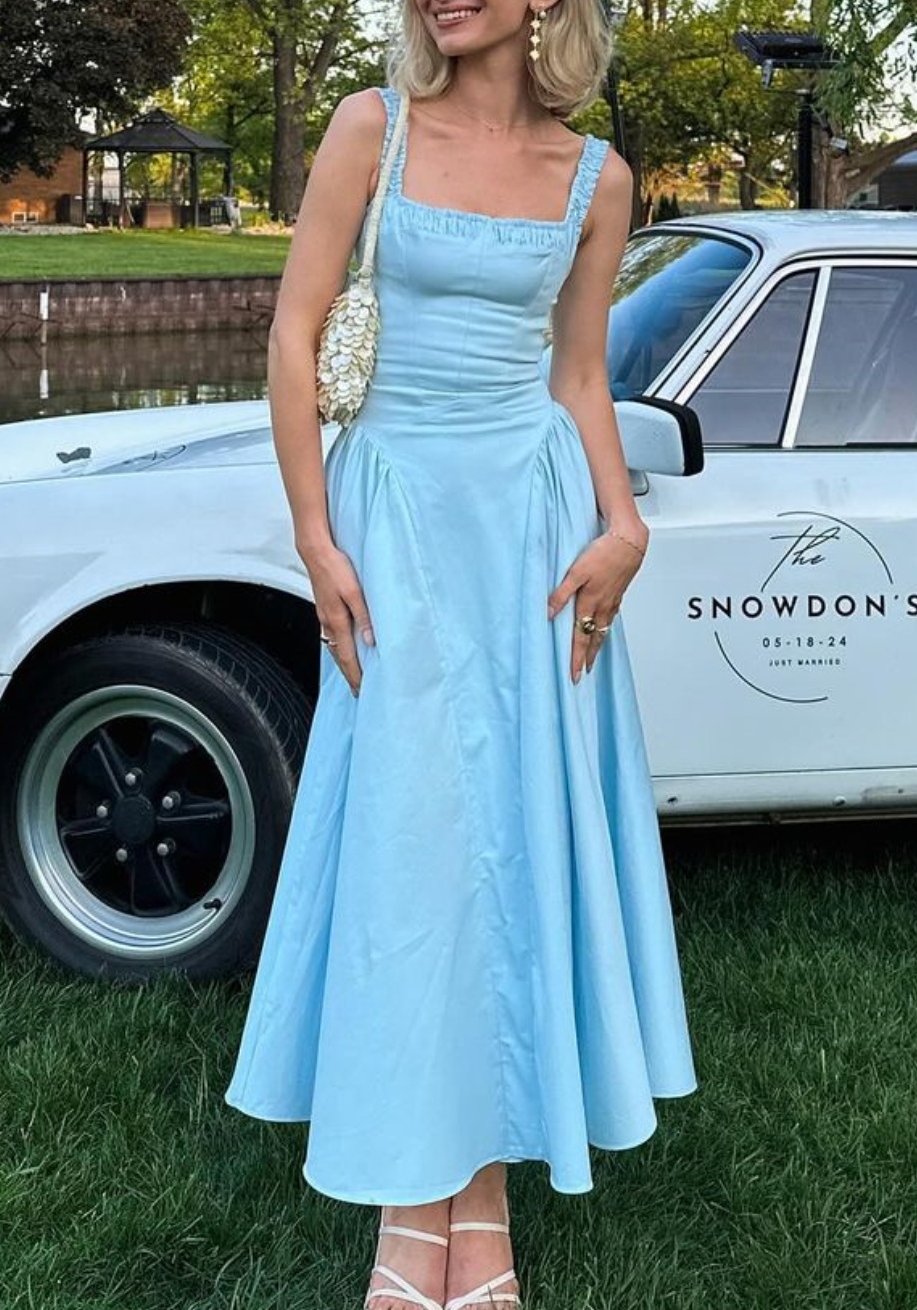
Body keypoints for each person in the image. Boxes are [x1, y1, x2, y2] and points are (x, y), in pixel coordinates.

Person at [225, 2, 699, 1307]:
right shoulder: (368, 129)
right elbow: (293, 332)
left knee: (510, 837)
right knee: (412, 841)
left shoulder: (596, 176)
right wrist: (315, 535)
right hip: (391, 517)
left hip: (532, 530)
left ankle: (475, 1204)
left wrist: (622, 525)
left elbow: (580, 377)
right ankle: (406, 1196)